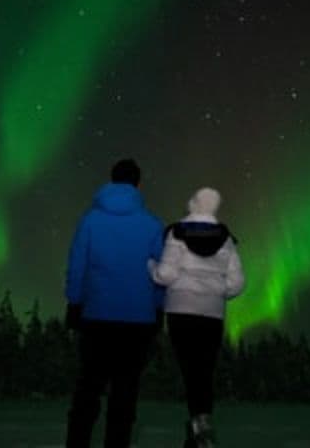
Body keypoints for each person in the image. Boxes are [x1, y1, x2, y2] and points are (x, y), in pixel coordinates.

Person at [64, 158, 165, 448]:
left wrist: (74, 303)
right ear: (138, 184)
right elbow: (160, 273)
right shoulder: (151, 224)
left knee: (87, 390)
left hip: (96, 318)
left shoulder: (90, 221)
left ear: (111, 180)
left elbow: (77, 266)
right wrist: (158, 310)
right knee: (125, 394)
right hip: (138, 323)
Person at [149, 187, 245, 448]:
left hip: (181, 312)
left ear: (192, 205)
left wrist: (151, 267)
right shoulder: (226, 239)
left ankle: (198, 428)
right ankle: (200, 427)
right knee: (204, 372)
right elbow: (237, 283)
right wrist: (215, 291)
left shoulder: (176, 233)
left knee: (190, 371)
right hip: (212, 315)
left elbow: (166, 275)